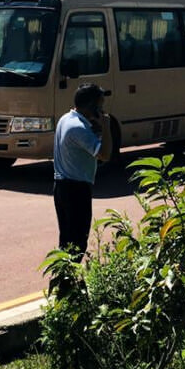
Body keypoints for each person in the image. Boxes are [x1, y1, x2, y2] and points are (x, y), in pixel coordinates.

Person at [52, 83, 112, 260]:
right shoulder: (78, 128)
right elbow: (105, 155)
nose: (102, 109)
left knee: (67, 241)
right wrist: (106, 126)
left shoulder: (66, 119)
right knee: (77, 242)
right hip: (75, 190)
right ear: (91, 105)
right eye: (100, 105)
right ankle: (68, 277)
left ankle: (64, 276)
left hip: (62, 186)